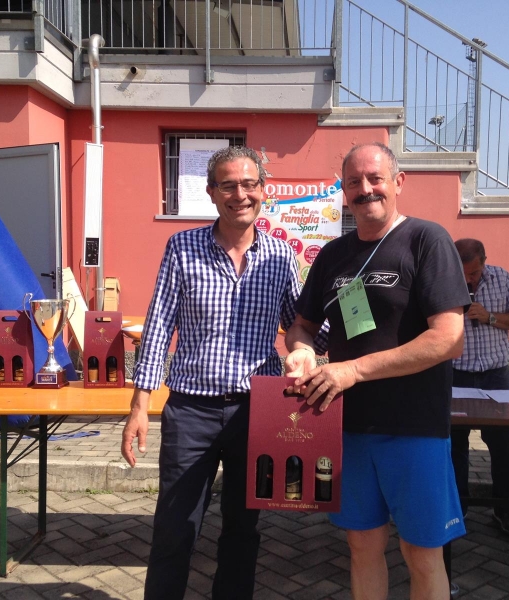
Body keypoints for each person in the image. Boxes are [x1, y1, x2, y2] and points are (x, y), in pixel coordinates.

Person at [120, 146, 320, 600]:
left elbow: (300, 325)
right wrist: (139, 406)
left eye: (249, 184)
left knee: (243, 529)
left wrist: (321, 341)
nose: (240, 195)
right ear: (211, 192)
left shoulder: (280, 256)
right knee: (175, 527)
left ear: (263, 190)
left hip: (258, 411)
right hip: (192, 411)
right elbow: (159, 327)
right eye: (228, 185)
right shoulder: (182, 248)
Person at [284, 142, 469, 600]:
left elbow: (448, 338)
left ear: (398, 182)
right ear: (344, 192)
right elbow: (303, 325)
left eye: (375, 178)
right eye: (354, 182)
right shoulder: (333, 255)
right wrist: (302, 351)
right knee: (361, 546)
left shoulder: (427, 240)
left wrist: (353, 370)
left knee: (421, 554)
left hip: (414, 428)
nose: (365, 189)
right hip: (347, 427)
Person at [449, 238, 509, 538]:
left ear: (484, 261)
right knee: (454, 445)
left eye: (473, 273)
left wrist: (489, 317)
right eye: (463, 274)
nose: (469, 280)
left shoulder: (502, 278)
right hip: (455, 374)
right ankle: (457, 509)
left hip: (496, 376)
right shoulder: (443, 280)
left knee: (503, 443)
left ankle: (505, 510)